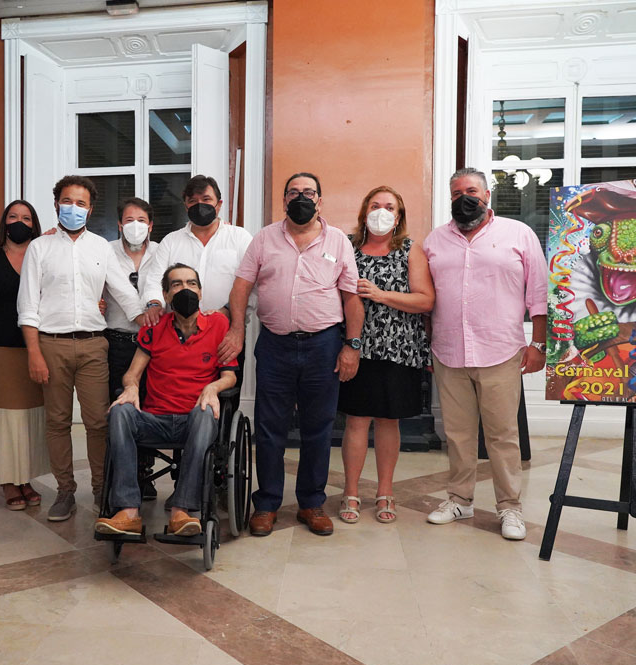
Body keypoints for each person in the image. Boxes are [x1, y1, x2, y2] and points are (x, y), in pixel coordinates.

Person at [222, 172, 363, 537]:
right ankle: (267, 503)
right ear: (284, 200)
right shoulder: (264, 238)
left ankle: (311, 503)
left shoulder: (338, 241)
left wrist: (352, 345)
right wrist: (236, 329)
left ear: (320, 201)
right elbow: (241, 287)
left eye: (308, 192)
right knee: (270, 427)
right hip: (275, 345)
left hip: (323, 345)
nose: (301, 197)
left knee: (319, 427)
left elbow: (351, 298)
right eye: (294, 192)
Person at [423, 167, 548, 540]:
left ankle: (510, 508)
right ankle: (459, 500)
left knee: (502, 435)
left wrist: (539, 344)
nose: (465, 198)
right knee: (458, 434)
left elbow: (538, 292)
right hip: (449, 351)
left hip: (501, 350)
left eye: (472, 191)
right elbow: (427, 298)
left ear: (487, 195)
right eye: (457, 192)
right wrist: (428, 346)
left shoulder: (518, 234)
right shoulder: (434, 241)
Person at [17, 175, 146, 522]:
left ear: (90, 210)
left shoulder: (101, 248)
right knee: (58, 422)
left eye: (81, 203)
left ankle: (102, 489)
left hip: (93, 346)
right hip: (51, 346)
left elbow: (122, 292)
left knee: (98, 422)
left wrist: (147, 315)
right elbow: (27, 305)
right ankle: (65, 492)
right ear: (56, 204)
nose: (73, 208)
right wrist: (34, 353)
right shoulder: (39, 248)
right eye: (67, 201)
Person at [96, 264, 237, 536]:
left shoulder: (218, 325)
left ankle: (181, 511)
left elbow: (229, 376)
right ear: (166, 294)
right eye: (177, 284)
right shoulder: (155, 327)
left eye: (191, 283)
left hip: (194, 420)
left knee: (205, 413)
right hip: (154, 420)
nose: (185, 289)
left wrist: (212, 387)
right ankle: (127, 512)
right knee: (120, 411)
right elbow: (132, 374)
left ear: (200, 291)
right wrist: (131, 388)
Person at [337, 186, 434, 524]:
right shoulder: (347, 247)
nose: (381, 211)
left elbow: (425, 300)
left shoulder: (410, 249)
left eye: (389, 207)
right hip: (356, 347)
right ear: (364, 211)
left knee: (388, 420)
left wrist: (381, 295)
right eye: (375, 205)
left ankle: (385, 491)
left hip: (399, 348)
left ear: (399, 215)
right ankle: (351, 492)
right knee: (356, 419)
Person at [0, 200, 49, 510]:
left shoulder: (42, 253)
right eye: (13, 216)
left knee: (31, 416)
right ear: (4, 222)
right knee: (4, 417)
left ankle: (25, 478)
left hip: (36, 346)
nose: (19, 222)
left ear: (34, 224)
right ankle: (9, 481)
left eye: (26, 217)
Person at [104, 198, 163, 500]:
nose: (135, 225)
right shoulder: (105, 251)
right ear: (119, 224)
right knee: (120, 408)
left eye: (141, 220)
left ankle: (145, 472)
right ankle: (120, 476)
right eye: (129, 220)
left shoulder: (162, 251)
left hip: (155, 345)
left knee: (149, 409)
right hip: (118, 342)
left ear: (150, 225)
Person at [140, 175, 253, 323]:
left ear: (219, 204)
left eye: (206, 199)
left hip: (226, 327)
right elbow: (155, 281)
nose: (200, 205)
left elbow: (252, 284)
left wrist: (227, 311)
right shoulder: (170, 242)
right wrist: (154, 304)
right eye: (193, 201)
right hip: (179, 329)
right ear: (186, 206)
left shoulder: (240, 238)